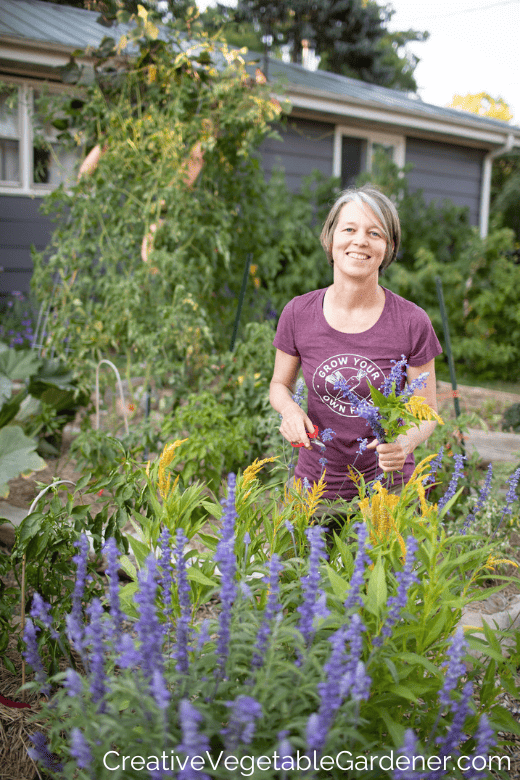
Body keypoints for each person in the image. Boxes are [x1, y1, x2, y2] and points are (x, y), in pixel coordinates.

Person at [269, 184, 443, 503]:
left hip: (387, 491)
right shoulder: (298, 313)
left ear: (389, 247)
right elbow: (280, 383)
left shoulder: (412, 321)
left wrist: (405, 443)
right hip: (314, 487)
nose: (360, 240)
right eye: (349, 229)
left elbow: (428, 409)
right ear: (330, 238)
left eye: (374, 233)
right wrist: (289, 410)